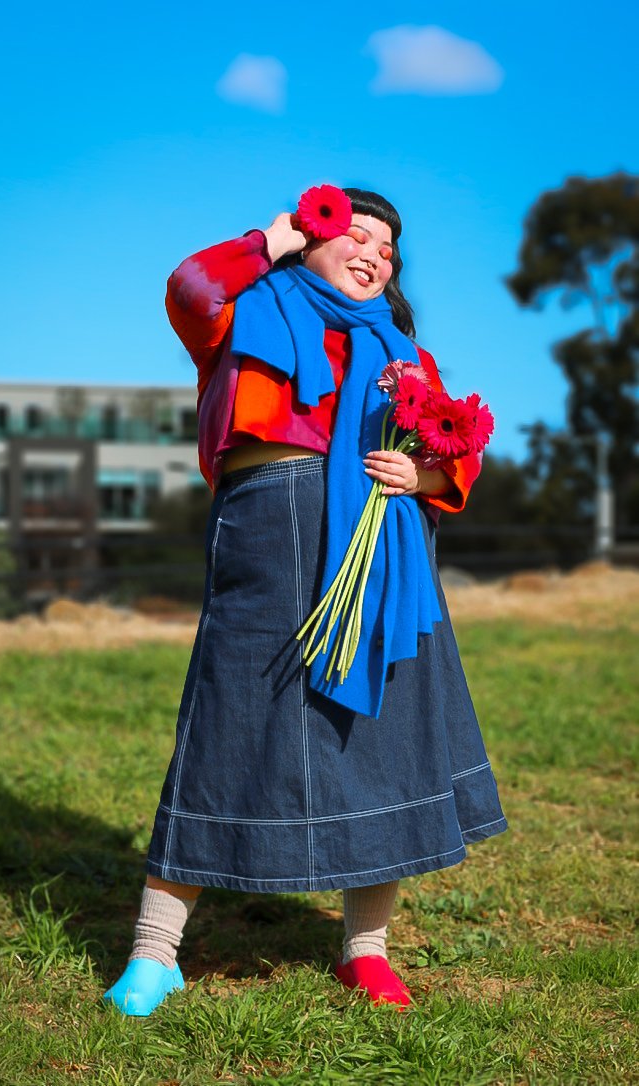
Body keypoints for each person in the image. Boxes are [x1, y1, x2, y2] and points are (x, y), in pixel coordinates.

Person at [104, 186, 507, 1016]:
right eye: (357, 235)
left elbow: (454, 456)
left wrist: (422, 475)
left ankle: (366, 950)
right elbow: (190, 283)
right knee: (230, 727)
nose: (375, 255)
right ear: (313, 236)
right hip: (265, 535)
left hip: (386, 546)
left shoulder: (404, 354)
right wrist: (275, 238)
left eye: (388, 250)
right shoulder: (247, 307)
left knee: (382, 739)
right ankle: (156, 953)